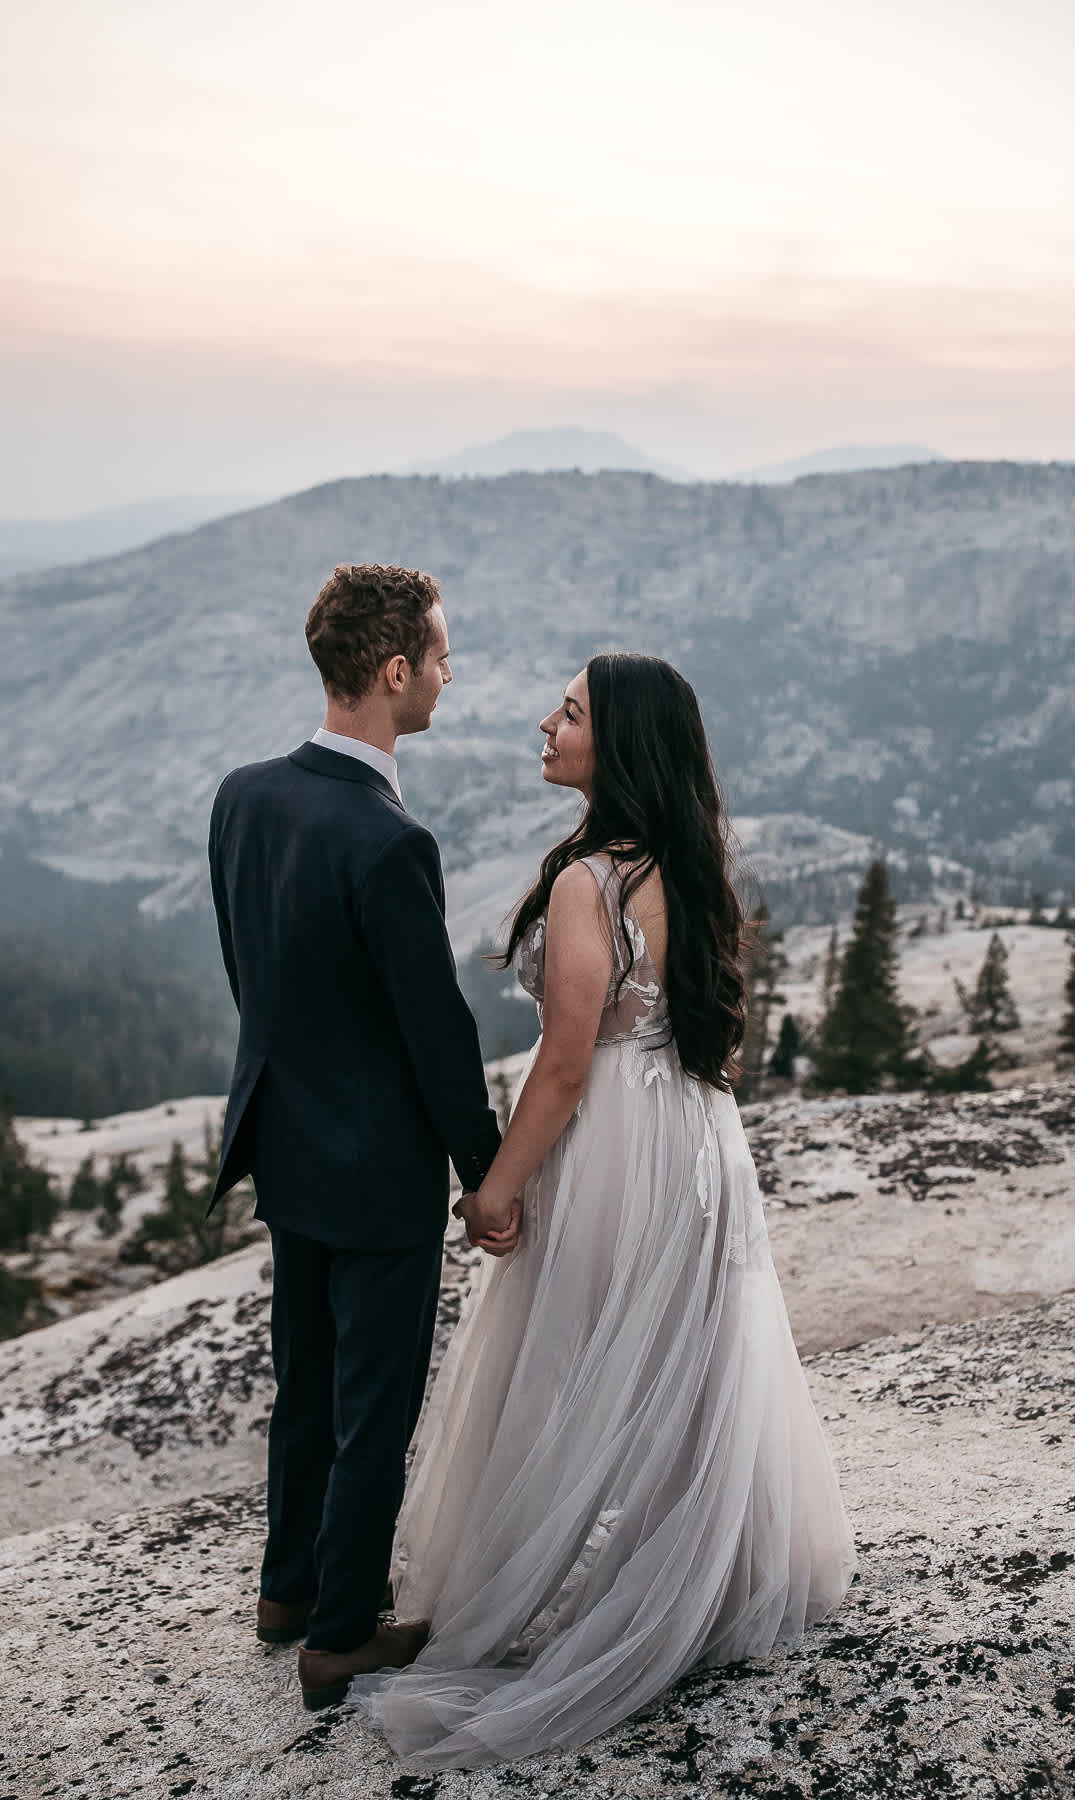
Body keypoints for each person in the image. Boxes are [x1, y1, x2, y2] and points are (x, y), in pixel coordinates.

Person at [351, 652, 856, 1767]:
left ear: (615, 742)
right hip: (695, 1131)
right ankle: (701, 1577)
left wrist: (496, 1186)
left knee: (564, 1361)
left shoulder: (591, 883)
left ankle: (556, 1595)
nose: (545, 721)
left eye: (569, 712)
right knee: (685, 1358)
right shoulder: (684, 862)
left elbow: (568, 1063)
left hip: (619, 1141)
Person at [207, 563, 510, 1711]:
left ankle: (285, 1589)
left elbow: (257, 984)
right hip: (378, 1169)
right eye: (439, 654)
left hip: (287, 1147)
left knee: (307, 1385)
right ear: (394, 673)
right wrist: (488, 1174)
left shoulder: (244, 797)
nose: (448, 671)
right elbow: (435, 1037)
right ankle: (339, 1633)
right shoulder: (391, 842)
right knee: (373, 1403)